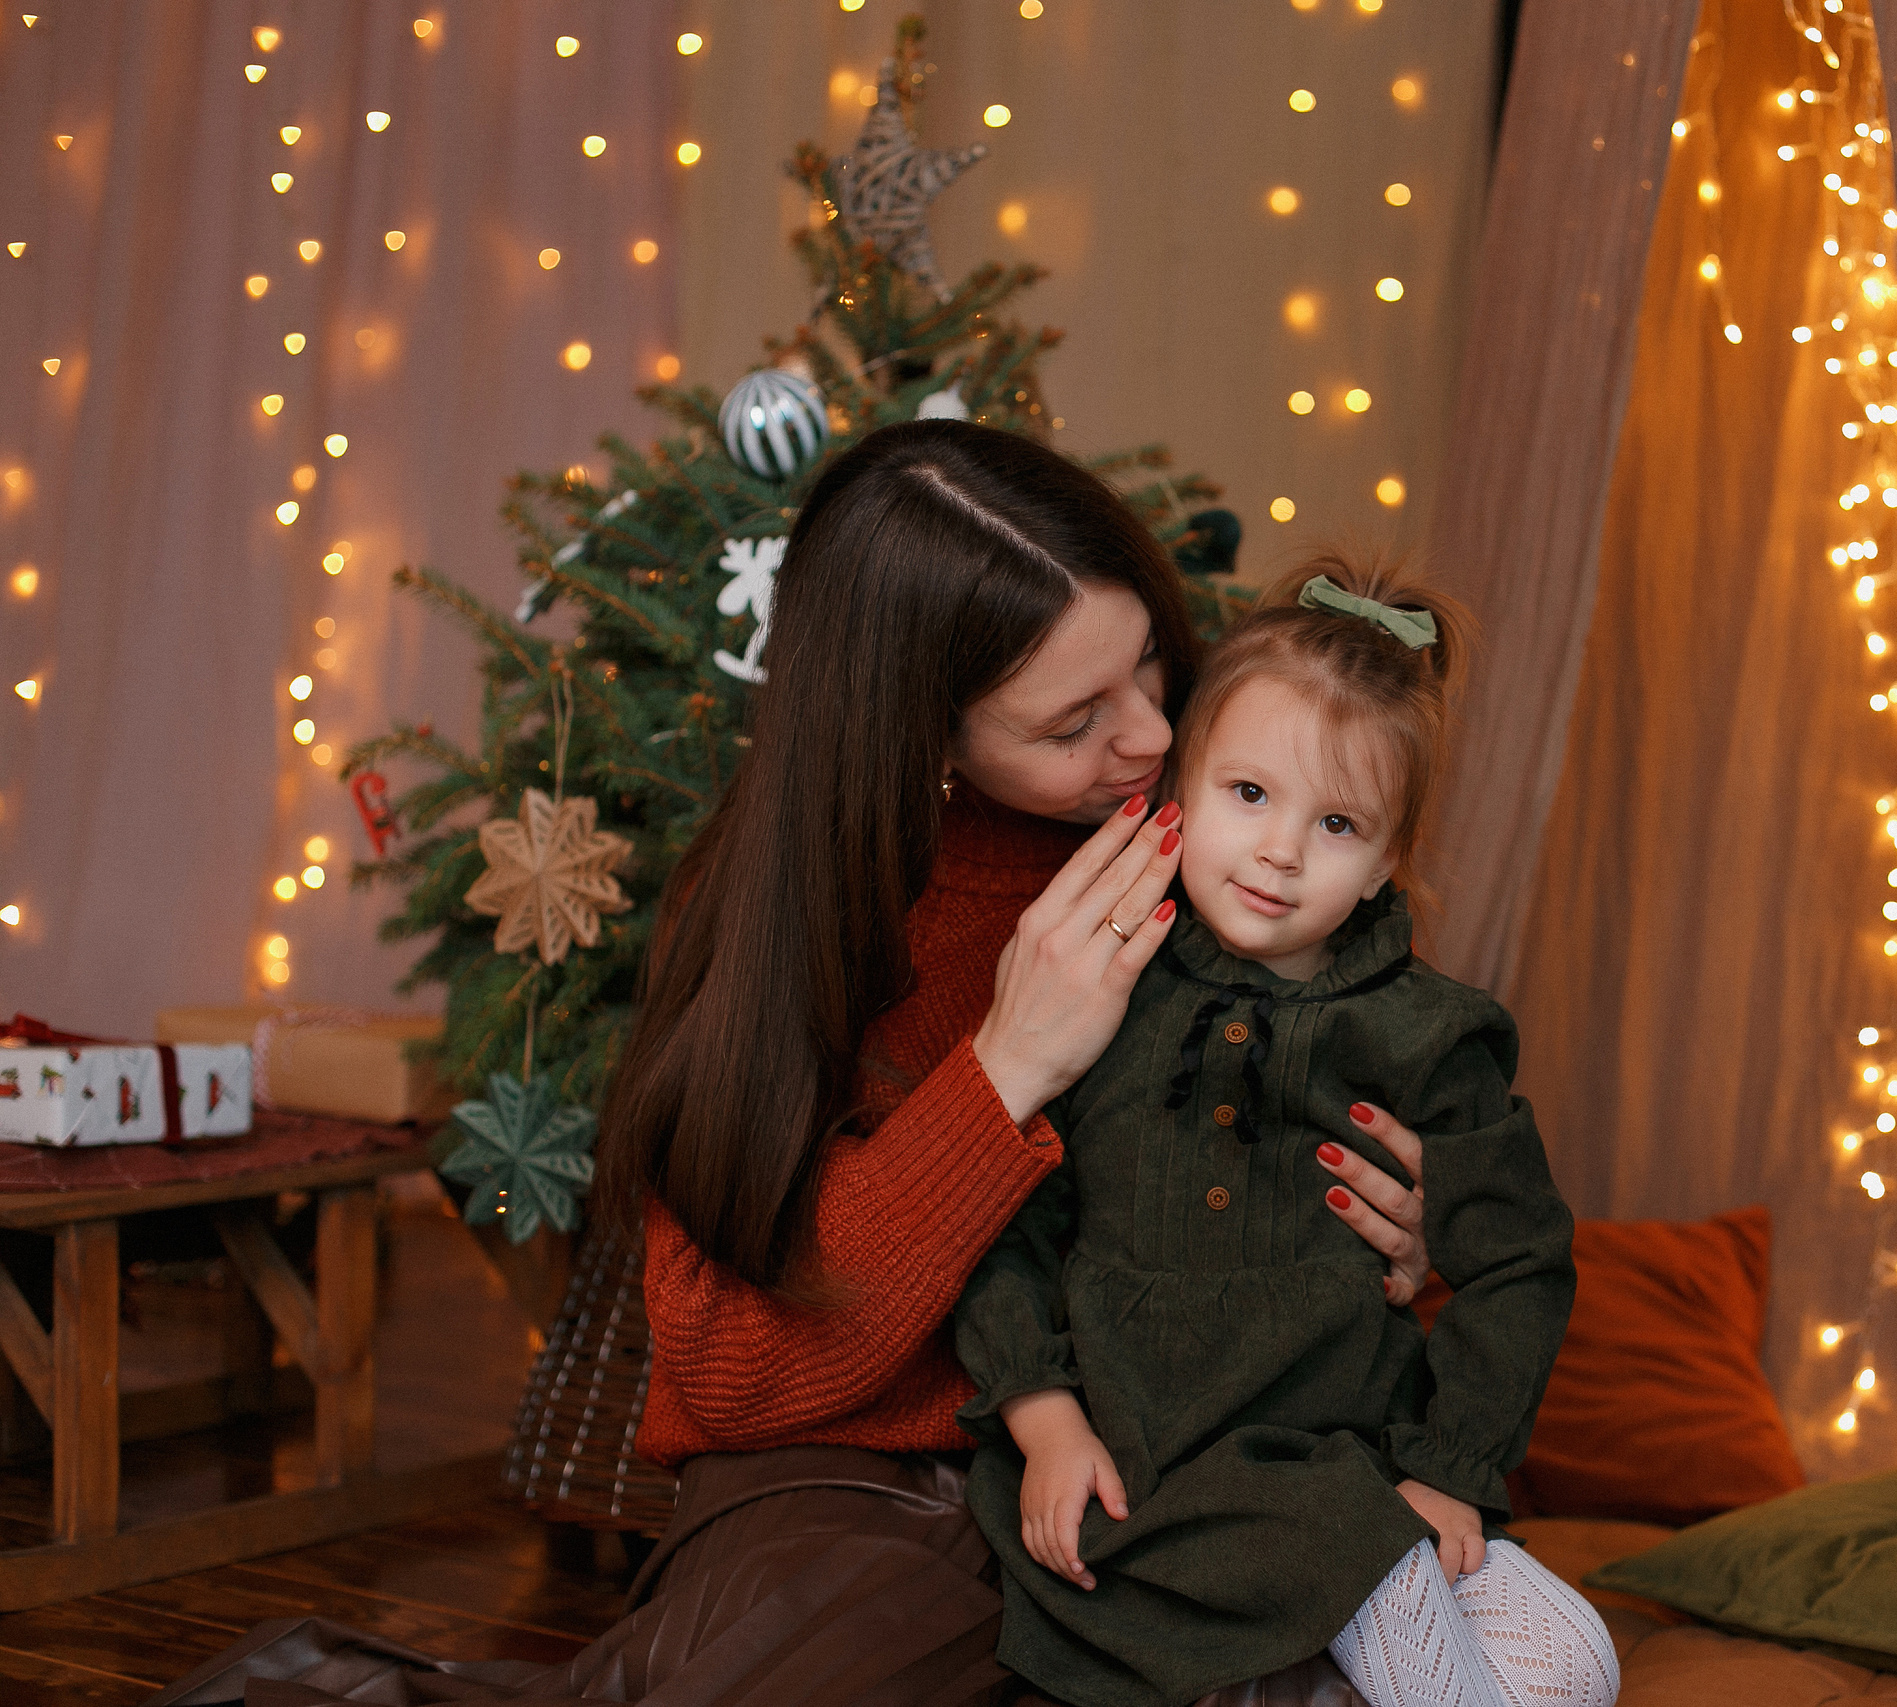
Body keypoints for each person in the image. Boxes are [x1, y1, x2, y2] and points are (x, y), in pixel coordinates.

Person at [148, 422, 1432, 1707]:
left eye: (1152, 663)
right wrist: (1000, 1074)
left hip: (1172, 1463)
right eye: (1072, 721)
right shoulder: (774, 906)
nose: (1152, 737)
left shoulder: (1243, 837)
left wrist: (1402, 1244)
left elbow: (1353, 1180)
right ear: (924, 732)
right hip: (847, 1477)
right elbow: (731, 1373)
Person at [954, 557, 1619, 1707]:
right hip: (1150, 1462)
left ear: (1384, 866)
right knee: (1412, 1631)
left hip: (1347, 1461)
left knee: (1576, 1662)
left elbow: (1519, 1260)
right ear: (1180, 791)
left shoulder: (1430, 1036)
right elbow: (1003, 1219)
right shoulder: (1105, 980)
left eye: (1338, 823)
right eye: (1248, 794)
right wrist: (1043, 1417)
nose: (1278, 852)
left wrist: (1449, 1469)